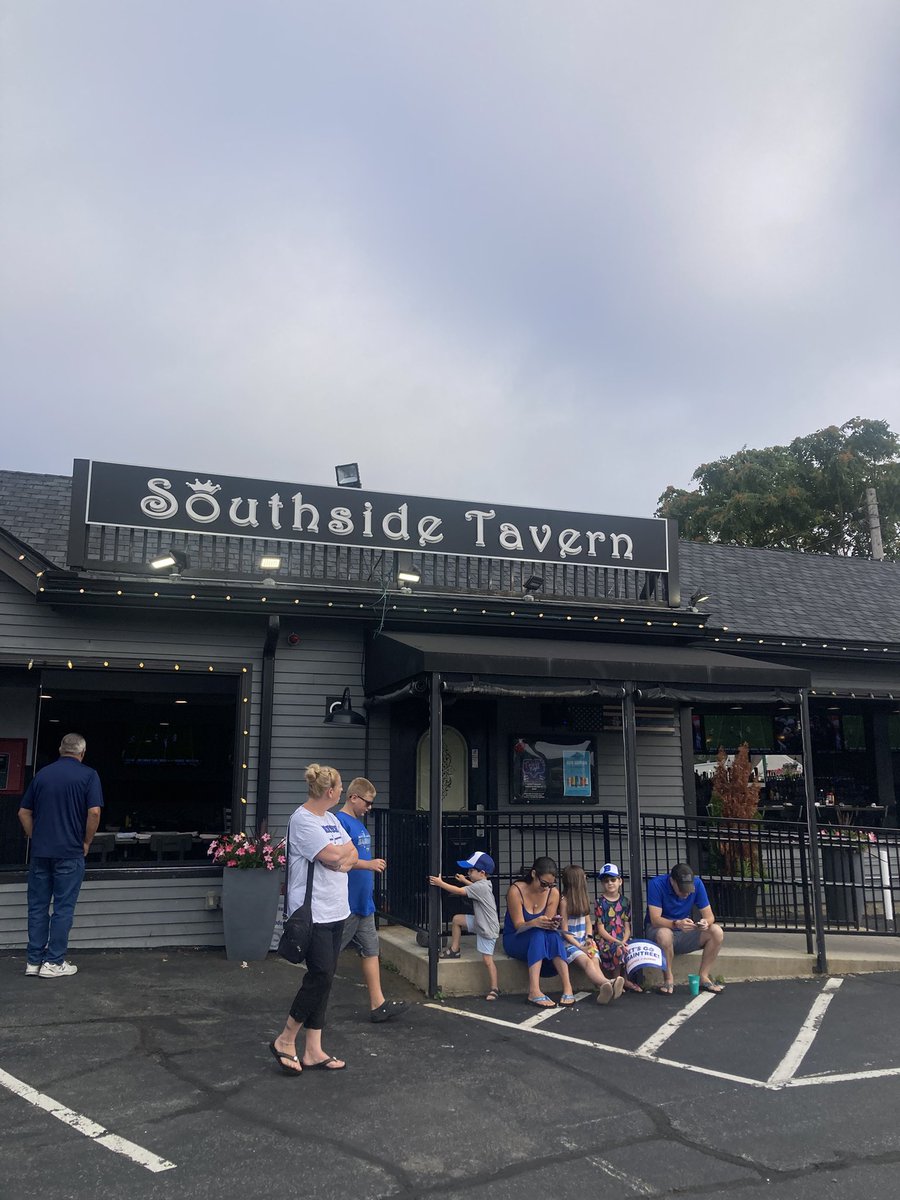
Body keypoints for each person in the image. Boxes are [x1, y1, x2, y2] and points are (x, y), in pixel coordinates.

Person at [269, 764, 358, 1075]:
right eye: (340, 787)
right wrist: (339, 857)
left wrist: (340, 857)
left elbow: (352, 852)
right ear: (330, 792)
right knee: (319, 975)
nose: (343, 791)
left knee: (327, 977)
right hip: (313, 912)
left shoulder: (331, 818)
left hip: (336, 909)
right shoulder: (303, 820)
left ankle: (314, 1050)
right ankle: (285, 1038)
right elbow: (335, 857)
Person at [18, 733, 103, 978]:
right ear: (82, 752)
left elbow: (23, 812)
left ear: (60, 749)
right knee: (63, 908)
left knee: (37, 907)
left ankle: (33, 962)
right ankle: (54, 962)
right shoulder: (89, 775)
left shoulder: (42, 775)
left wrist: (38, 838)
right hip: (69, 852)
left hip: (41, 852)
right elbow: (94, 813)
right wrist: (86, 841)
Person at [336, 777, 408, 1023]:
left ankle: (378, 1004)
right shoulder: (339, 822)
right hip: (346, 904)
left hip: (364, 902)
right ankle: (313, 1003)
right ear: (353, 797)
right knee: (329, 954)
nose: (369, 808)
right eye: (367, 803)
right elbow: (337, 860)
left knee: (371, 950)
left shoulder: (358, 824)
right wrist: (369, 864)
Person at [503, 856, 576, 1008]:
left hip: (540, 937)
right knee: (537, 933)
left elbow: (546, 925)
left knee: (554, 935)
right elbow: (518, 926)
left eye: (551, 884)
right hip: (516, 938)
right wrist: (533, 922)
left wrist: (552, 923)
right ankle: (534, 991)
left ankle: (568, 987)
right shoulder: (516, 890)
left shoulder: (552, 893)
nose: (546, 888)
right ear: (534, 874)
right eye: (543, 883)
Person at [429, 850, 501, 1000]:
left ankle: (494, 988)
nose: (468, 873)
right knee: (457, 920)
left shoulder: (480, 887)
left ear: (482, 872)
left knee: (488, 960)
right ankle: (455, 949)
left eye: (471, 870)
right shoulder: (484, 884)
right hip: (480, 921)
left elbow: (460, 891)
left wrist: (441, 883)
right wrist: (465, 880)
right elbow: (472, 888)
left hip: (486, 928)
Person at [644, 862, 725, 995]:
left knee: (716, 931)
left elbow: (710, 916)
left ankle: (703, 976)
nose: (686, 893)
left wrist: (705, 922)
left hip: (684, 931)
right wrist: (676, 924)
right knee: (664, 934)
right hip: (660, 931)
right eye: (682, 889)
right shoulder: (656, 884)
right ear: (672, 881)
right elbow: (655, 919)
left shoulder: (698, 884)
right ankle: (668, 978)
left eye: (689, 889)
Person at [559, 864, 623, 1004]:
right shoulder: (564, 901)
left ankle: (604, 987)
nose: (586, 877)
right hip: (570, 944)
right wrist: (580, 946)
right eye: (583, 876)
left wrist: (589, 938)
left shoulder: (583, 898)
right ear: (576, 880)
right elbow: (564, 931)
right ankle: (607, 982)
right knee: (587, 961)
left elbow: (589, 923)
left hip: (583, 940)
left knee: (594, 959)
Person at [594, 862, 641, 993]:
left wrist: (624, 940)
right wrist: (618, 942)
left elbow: (627, 925)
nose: (610, 883)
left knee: (629, 946)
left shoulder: (625, 902)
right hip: (605, 939)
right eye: (606, 880)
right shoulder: (600, 903)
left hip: (621, 937)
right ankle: (616, 981)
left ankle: (623, 979)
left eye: (613, 879)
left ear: (620, 881)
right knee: (618, 949)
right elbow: (601, 929)